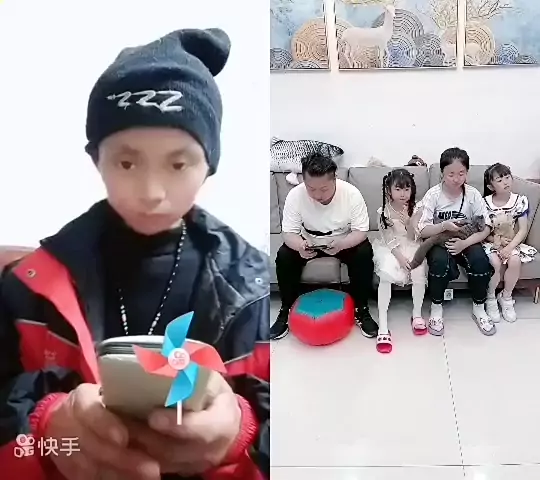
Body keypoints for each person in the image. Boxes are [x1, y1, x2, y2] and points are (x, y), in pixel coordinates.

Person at [0, 29, 269, 480]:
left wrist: (242, 435)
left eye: (178, 164)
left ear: (209, 164)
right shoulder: (26, 288)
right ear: (96, 159)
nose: (152, 192)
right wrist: (45, 430)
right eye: (126, 163)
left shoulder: (256, 290)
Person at [271, 153, 377, 340]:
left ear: (334, 178)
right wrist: (300, 245)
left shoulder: (351, 194)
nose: (318, 195)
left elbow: (361, 231)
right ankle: (286, 309)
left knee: (363, 251)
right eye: (311, 189)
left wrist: (343, 244)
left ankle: (361, 309)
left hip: (342, 240)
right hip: (309, 241)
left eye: (324, 189)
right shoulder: (295, 195)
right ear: (303, 181)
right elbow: (288, 234)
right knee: (284, 255)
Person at [418, 147, 494, 336]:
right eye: (451, 174)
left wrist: (464, 244)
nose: (456, 179)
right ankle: (436, 308)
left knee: (480, 261)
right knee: (439, 262)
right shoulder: (433, 195)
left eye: (461, 173)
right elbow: (423, 229)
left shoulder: (473, 194)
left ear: (467, 172)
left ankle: (479, 308)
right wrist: (443, 226)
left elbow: (486, 227)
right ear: (442, 173)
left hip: (467, 238)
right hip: (439, 239)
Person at [372, 169, 427, 354]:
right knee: (386, 274)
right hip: (392, 249)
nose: (403, 193)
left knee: (418, 272)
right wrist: (400, 257)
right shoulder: (383, 211)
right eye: (398, 189)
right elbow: (388, 239)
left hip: (412, 244)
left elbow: (415, 237)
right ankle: (383, 324)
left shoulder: (417, 209)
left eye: (407, 189)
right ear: (389, 190)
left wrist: (409, 222)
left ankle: (417, 314)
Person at [483, 163, 537, 323]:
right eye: (499, 180)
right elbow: (483, 233)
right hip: (492, 242)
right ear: (490, 186)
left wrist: (509, 247)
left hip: (512, 242)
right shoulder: (485, 203)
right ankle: (490, 298)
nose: (505, 182)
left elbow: (523, 230)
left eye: (507, 177)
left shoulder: (519, 201)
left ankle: (506, 297)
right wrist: (496, 241)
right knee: (494, 262)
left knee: (515, 261)